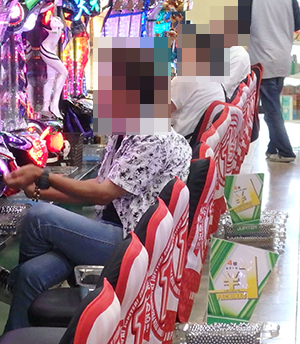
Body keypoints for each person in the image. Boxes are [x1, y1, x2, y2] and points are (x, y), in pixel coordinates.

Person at [2, 133, 191, 331]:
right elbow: (97, 186)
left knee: (39, 217)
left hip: (134, 245)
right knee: (30, 273)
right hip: (110, 232)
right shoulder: (123, 135)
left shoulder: (153, 138)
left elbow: (103, 194)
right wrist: (40, 192)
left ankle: (11, 283)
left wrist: (43, 176)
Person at [239, 0, 300, 163]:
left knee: (271, 108)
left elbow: (240, 25)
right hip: (283, 57)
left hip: (261, 59)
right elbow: (298, 24)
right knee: (272, 105)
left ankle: (285, 151)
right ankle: (272, 147)